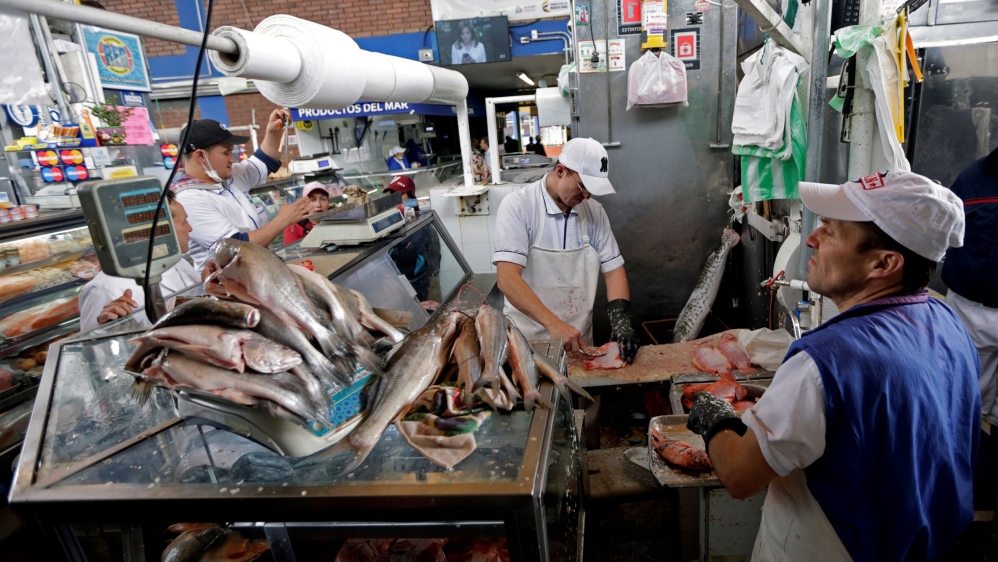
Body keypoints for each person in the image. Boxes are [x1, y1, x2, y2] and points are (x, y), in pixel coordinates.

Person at [685, 170, 979, 561]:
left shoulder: (823, 360)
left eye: (830, 230)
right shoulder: (947, 322)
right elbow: (889, 419)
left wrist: (714, 416)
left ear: (884, 264)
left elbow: (740, 476)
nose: (811, 239)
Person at [493, 137, 639, 363]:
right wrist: (553, 323)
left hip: (580, 342)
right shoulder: (519, 206)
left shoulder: (594, 211)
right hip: (528, 343)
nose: (587, 196)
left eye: (592, 190)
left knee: (583, 396)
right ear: (560, 171)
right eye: (583, 187)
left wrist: (621, 319)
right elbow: (507, 279)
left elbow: (613, 269)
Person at [172, 112, 316, 271]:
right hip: (232, 288)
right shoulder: (188, 199)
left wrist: (273, 131)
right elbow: (236, 247)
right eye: (226, 153)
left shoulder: (226, 176)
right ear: (200, 156)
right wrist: (283, 220)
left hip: (261, 273)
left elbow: (264, 162)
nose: (233, 160)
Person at [79, 190, 202, 330]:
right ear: (160, 229)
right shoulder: (105, 288)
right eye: (184, 221)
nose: (190, 228)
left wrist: (210, 285)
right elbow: (92, 348)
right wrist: (110, 330)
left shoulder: (178, 262)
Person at [385, 176, 439, 301]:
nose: (395, 198)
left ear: (410, 195)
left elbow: (409, 253)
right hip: (396, 281)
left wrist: (392, 251)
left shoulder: (420, 223)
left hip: (417, 282)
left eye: (400, 194)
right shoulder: (392, 219)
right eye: (392, 194)